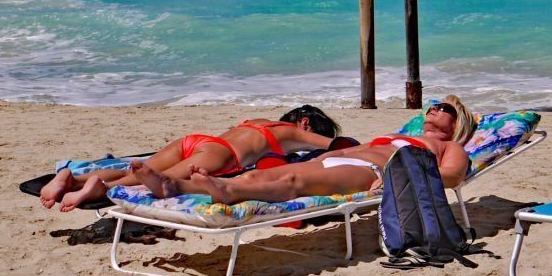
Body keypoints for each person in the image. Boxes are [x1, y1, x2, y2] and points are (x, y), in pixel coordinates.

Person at [130, 95, 476, 205]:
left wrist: (402, 179)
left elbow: (451, 176)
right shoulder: (394, 134)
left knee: (293, 182)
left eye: (443, 108)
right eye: (432, 105)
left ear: (457, 122)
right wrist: (325, 155)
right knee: (258, 175)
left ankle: (228, 193)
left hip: (369, 172)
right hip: (334, 161)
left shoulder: (448, 147)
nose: (434, 109)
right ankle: (174, 185)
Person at [40, 105, 343, 211]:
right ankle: (98, 189)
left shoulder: (260, 120)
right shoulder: (295, 132)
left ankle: (72, 178)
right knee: (151, 182)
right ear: (305, 122)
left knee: (136, 171)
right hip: (222, 155)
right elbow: (338, 145)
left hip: (196, 141)